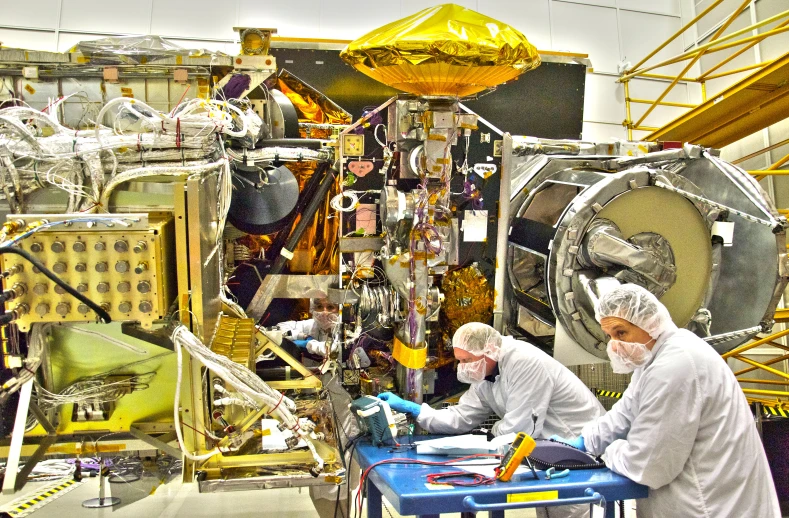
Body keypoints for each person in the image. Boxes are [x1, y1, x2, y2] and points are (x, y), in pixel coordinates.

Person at [552, 284, 781, 517]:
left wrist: (605, 452)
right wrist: (583, 442)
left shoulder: (675, 364)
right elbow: (626, 411)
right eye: (609, 336)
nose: (615, 345)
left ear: (648, 322)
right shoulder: (659, 356)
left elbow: (649, 466)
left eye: (621, 333)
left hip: (711, 503)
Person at [380, 322, 605, 518]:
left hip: (577, 444)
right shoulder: (485, 373)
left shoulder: (524, 362)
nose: (463, 367)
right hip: (546, 451)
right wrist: (416, 410)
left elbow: (521, 429)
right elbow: (462, 416)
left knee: (566, 510)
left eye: (467, 360)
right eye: (459, 361)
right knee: (547, 508)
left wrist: (490, 435)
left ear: (488, 351)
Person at [275, 297, 339, 357]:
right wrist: (301, 336)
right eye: (319, 306)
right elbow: (279, 328)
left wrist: (308, 344)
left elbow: (334, 350)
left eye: (330, 307)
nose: (324, 312)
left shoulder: (344, 328)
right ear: (313, 308)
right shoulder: (312, 324)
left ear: (339, 309)